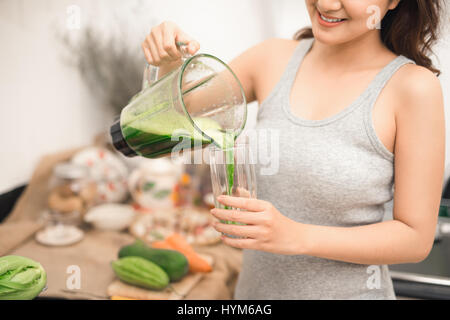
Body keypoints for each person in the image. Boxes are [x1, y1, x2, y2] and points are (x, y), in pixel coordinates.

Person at [142, 0, 446, 299]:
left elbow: (414, 238)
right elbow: (178, 118)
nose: (326, 4)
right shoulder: (271, 59)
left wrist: (295, 236)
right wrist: (169, 62)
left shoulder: (412, 88)